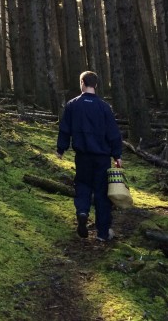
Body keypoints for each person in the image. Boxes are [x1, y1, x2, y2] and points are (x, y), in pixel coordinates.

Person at [56, 71, 123, 242]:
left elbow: (65, 129)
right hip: (102, 157)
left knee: (83, 185)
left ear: (82, 83)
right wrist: (117, 155)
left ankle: (82, 212)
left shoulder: (73, 105)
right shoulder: (104, 107)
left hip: (82, 156)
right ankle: (102, 233)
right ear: (96, 85)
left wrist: (61, 149)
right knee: (102, 193)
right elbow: (113, 133)